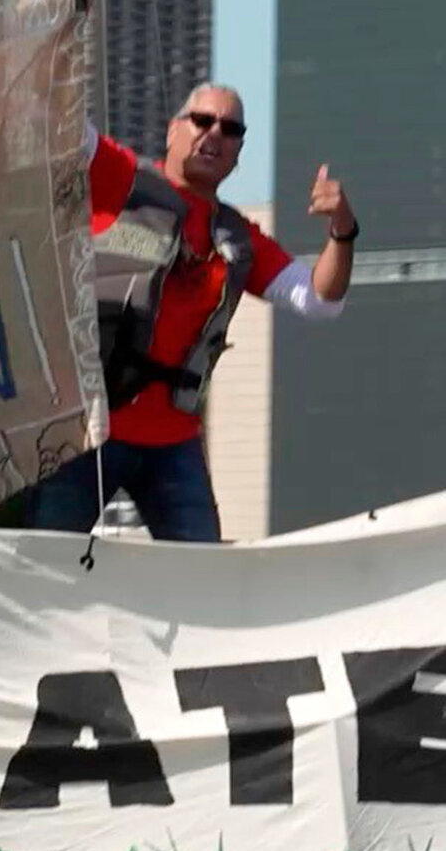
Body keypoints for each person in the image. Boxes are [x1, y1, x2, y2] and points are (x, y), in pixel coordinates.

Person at [27, 84, 357, 542]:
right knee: (42, 561)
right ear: (172, 131)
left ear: (238, 152)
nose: (214, 134)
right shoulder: (119, 175)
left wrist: (342, 229)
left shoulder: (239, 239)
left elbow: (320, 301)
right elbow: (55, 119)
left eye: (231, 128)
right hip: (88, 427)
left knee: (204, 576)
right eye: (201, 120)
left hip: (172, 443)